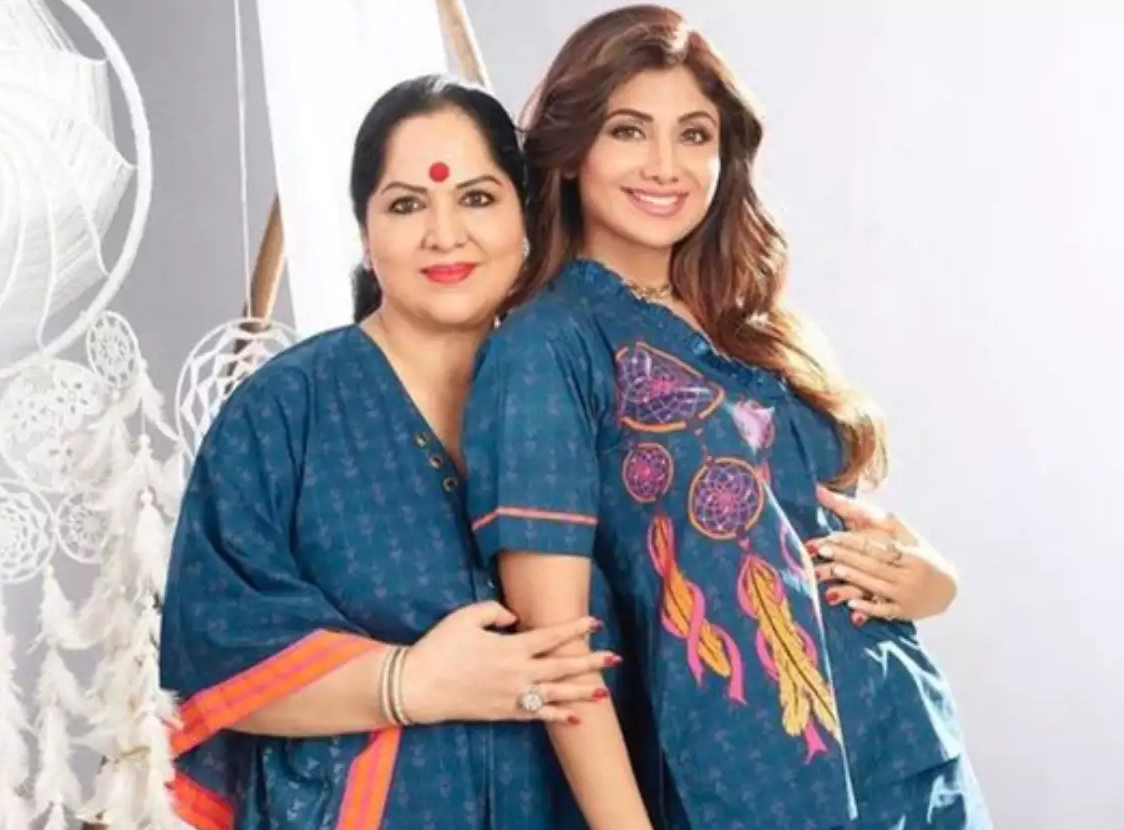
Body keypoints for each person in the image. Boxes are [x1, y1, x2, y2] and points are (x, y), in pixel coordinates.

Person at [462, 6, 989, 829]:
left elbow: (816, 519)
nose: (665, 165)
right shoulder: (548, 347)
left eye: (694, 134)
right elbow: (557, 649)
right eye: (629, 131)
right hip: (748, 789)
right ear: (571, 151)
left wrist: (936, 582)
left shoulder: (752, 320)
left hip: (911, 761)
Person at [159, 74, 625, 830]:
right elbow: (210, 655)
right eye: (407, 205)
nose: (445, 234)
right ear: (364, 234)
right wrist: (408, 683)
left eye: (477, 198)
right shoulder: (283, 412)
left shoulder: (586, 393)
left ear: (526, 216)